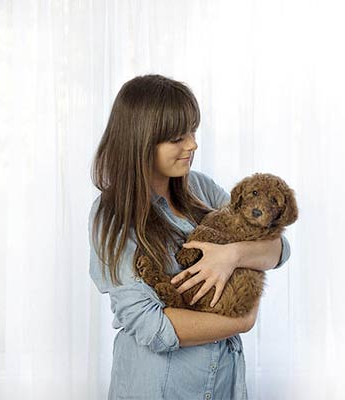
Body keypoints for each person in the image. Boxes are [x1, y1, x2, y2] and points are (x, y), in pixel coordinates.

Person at [88, 74, 291, 399]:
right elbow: (152, 326)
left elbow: (279, 247)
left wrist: (233, 256)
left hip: (222, 382)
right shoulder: (111, 216)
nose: (193, 144)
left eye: (193, 131)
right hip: (161, 387)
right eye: (177, 138)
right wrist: (241, 321)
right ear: (141, 141)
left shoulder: (200, 189)